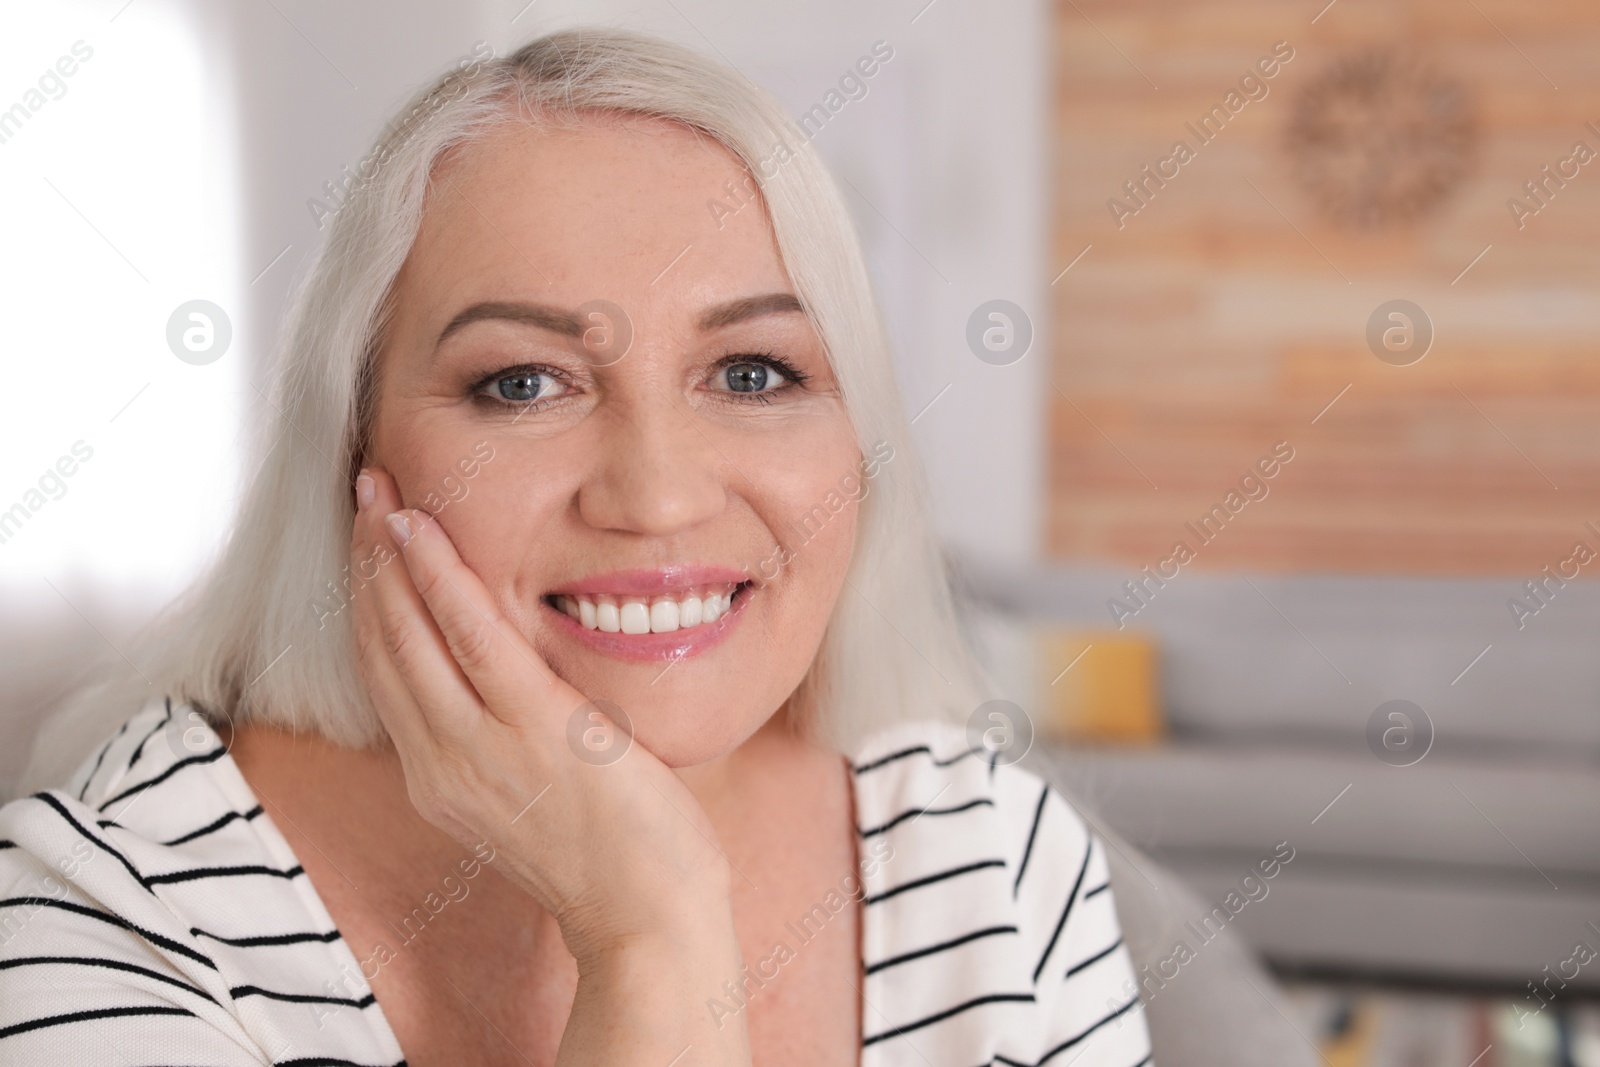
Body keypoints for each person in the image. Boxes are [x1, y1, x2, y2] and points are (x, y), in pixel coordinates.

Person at [0, 27, 1152, 1067]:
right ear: (353, 452)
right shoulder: (107, 928)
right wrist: (652, 937)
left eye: (753, 373)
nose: (655, 496)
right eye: (523, 383)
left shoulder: (997, 862)